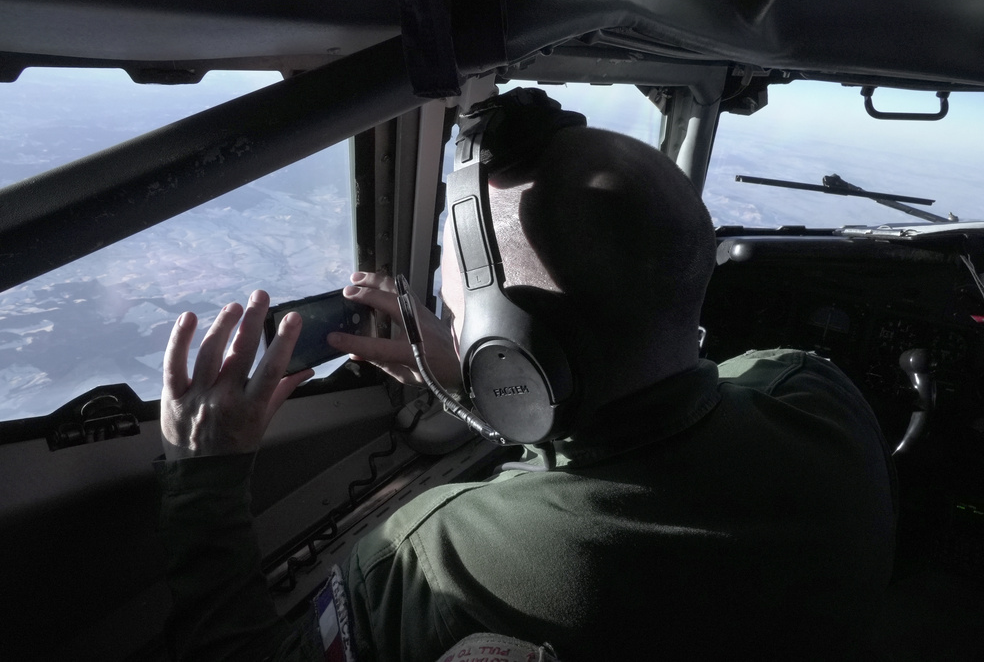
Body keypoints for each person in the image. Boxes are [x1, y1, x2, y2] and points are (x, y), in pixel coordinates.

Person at [156, 115, 897, 660]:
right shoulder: (819, 400)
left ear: (506, 349)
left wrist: (206, 474)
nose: (446, 311)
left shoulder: (436, 563)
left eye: (454, 299)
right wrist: (477, 383)